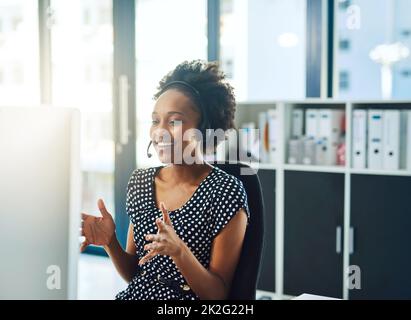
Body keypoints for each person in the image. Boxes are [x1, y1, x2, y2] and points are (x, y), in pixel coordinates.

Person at [80, 60, 250, 300]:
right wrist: (110, 243)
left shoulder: (225, 191)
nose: (159, 132)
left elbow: (217, 296)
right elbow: (136, 274)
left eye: (173, 122)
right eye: (155, 120)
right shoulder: (141, 182)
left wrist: (179, 251)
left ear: (205, 127)